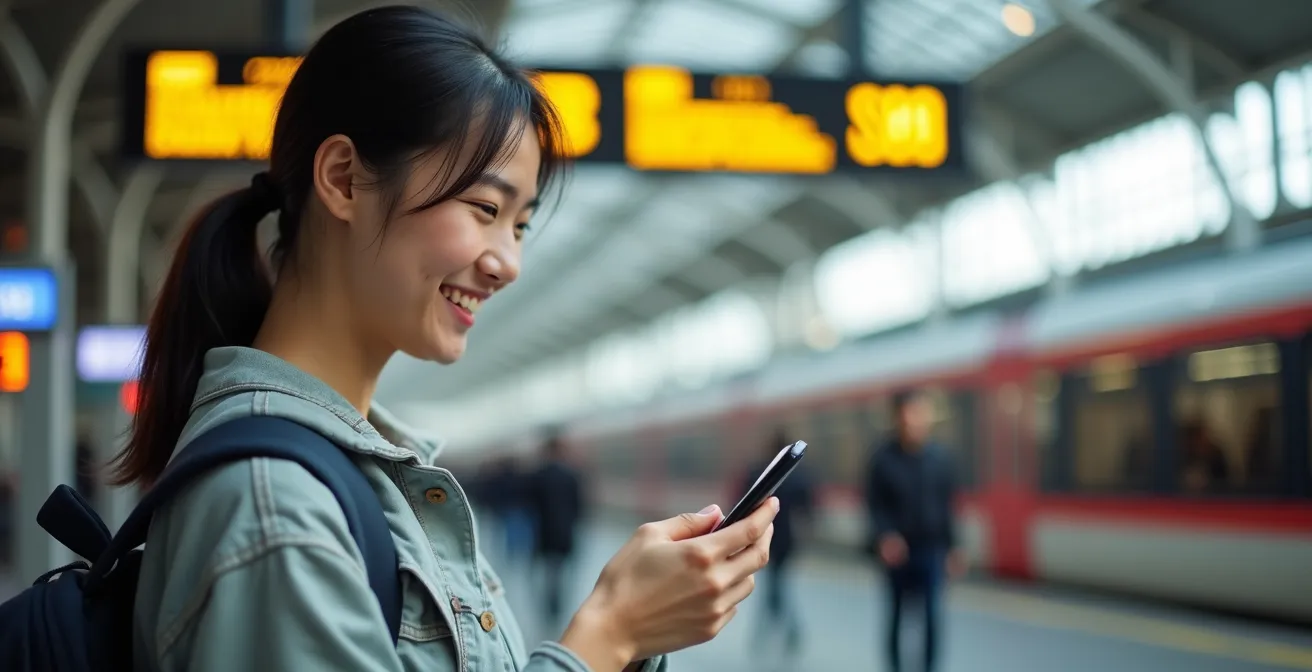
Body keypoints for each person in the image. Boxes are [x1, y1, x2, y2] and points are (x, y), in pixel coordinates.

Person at [109, 7, 778, 672]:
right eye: (485, 209)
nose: (508, 263)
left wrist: (630, 643)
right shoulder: (278, 509)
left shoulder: (360, 479)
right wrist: (610, 635)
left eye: (519, 225)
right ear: (344, 179)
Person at [864, 390, 965, 672]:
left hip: (931, 550)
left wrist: (954, 547)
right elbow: (874, 506)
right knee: (897, 617)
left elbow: (948, 507)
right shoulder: (882, 460)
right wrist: (884, 536)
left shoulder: (940, 459)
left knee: (933, 617)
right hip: (897, 554)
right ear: (897, 418)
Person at [737, 431, 813, 658]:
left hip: (764, 537)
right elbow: (808, 508)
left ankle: (771, 632)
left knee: (774, 589)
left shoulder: (758, 472)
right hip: (786, 541)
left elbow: (744, 501)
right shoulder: (798, 476)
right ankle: (787, 631)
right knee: (778, 588)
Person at [525, 431, 587, 633]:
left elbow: (529, 506)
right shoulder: (572, 475)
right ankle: (558, 608)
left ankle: (550, 608)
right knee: (561, 573)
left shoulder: (537, 475)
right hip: (565, 533)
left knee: (548, 573)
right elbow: (580, 508)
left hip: (543, 533)